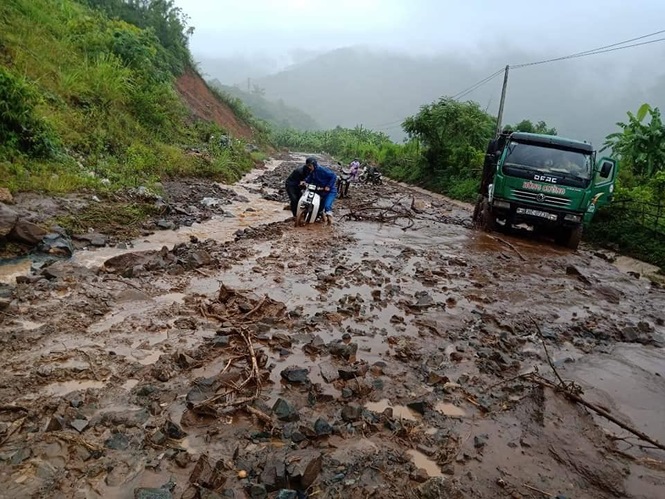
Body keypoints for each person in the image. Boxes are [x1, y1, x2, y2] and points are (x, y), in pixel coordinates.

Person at [303, 157, 337, 225]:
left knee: (327, 206)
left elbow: (333, 176)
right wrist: (304, 181)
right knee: (318, 206)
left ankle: (330, 222)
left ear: (314, 164)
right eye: (308, 166)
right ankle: (321, 218)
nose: (309, 167)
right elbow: (309, 179)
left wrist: (328, 186)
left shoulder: (322, 170)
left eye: (310, 166)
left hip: (330, 191)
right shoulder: (313, 172)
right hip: (320, 190)